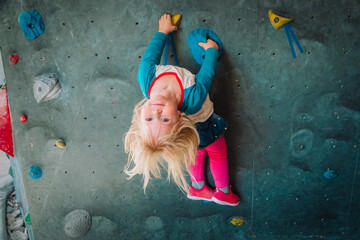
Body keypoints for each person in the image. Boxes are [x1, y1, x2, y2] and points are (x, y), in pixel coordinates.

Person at [124, 14, 239, 206]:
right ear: (178, 117)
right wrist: (211, 50)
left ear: (139, 116)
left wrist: (163, 31)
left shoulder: (146, 78)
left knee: (194, 152)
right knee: (217, 153)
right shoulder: (193, 98)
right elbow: (207, 73)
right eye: (164, 120)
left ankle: (197, 187)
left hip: (188, 138)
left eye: (149, 120)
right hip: (205, 125)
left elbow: (151, 55)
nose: (156, 113)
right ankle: (223, 193)